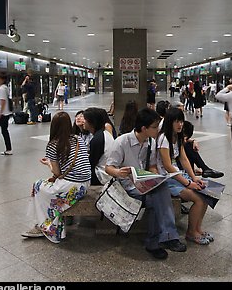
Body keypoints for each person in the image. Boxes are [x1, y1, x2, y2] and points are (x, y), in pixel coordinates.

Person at [105, 108, 187, 260]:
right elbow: (108, 167)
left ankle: (160, 239)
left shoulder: (151, 142)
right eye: (155, 127)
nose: (158, 130)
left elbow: (152, 166)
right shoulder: (122, 142)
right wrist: (118, 172)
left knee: (160, 189)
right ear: (144, 128)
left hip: (144, 183)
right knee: (157, 200)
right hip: (127, 186)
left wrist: (154, 176)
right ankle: (163, 239)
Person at [22, 112, 91, 243]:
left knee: (37, 186)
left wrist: (48, 163)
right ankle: (48, 225)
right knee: (50, 192)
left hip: (71, 186)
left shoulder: (53, 145)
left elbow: (58, 173)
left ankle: (45, 226)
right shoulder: (78, 139)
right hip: (85, 184)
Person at [156, 107, 212, 245]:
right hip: (167, 180)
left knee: (206, 194)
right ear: (169, 122)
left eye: (181, 121)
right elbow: (168, 166)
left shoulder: (178, 137)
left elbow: (184, 159)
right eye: (176, 122)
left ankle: (198, 229)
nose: (180, 125)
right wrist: (188, 183)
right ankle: (191, 232)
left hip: (178, 176)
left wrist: (194, 178)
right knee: (198, 199)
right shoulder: (164, 139)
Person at [83, 107, 115, 185]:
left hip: (101, 176)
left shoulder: (97, 139)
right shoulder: (104, 133)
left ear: (92, 122)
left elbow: (91, 163)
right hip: (108, 172)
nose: (83, 121)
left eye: (85, 119)